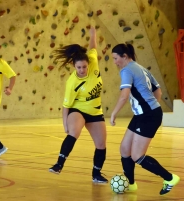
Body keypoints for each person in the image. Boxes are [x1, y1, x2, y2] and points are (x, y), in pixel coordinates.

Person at [110, 43, 180, 195]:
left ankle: (169, 178)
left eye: (116, 58)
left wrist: (114, 113)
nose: (115, 62)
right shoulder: (141, 68)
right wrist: (151, 106)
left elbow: (124, 95)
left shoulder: (127, 70)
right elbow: (158, 92)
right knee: (124, 149)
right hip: (145, 114)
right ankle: (131, 184)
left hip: (148, 116)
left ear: (124, 56)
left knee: (137, 155)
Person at [49, 27, 108, 183]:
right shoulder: (72, 82)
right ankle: (58, 164)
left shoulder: (93, 62)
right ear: (74, 67)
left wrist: (93, 35)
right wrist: (65, 124)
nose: (82, 70)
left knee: (101, 144)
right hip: (78, 110)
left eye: (84, 67)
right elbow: (66, 106)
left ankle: (96, 174)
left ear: (88, 64)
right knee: (74, 132)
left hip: (95, 112)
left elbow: (93, 47)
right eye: (79, 67)